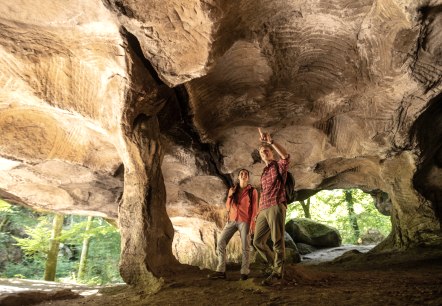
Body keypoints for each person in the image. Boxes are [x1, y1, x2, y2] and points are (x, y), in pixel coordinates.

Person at [253, 128, 290, 286]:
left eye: (266, 151)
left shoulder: (278, 166)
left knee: (277, 240)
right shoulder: (263, 172)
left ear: (271, 153)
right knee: (257, 241)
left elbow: (286, 157)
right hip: (264, 209)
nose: (264, 153)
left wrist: (271, 142)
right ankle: (272, 265)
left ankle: (278, 272)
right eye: (262, 152)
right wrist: (258, 212)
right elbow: (263, 194)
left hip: (276, 205)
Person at [208, 168, 259, 281]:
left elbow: (255, 209)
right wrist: (230, 195)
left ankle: (244, 272)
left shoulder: (252, 191)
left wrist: (252, 224)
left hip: (245, 221)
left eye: (246, 174)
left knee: (245, 247)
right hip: (231, 220)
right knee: (221, 242)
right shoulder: (233, 190)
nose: (244, 175)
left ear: (248, 177)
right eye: (242, 174)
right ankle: (221, 271)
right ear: (238, 177)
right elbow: (227, 207)